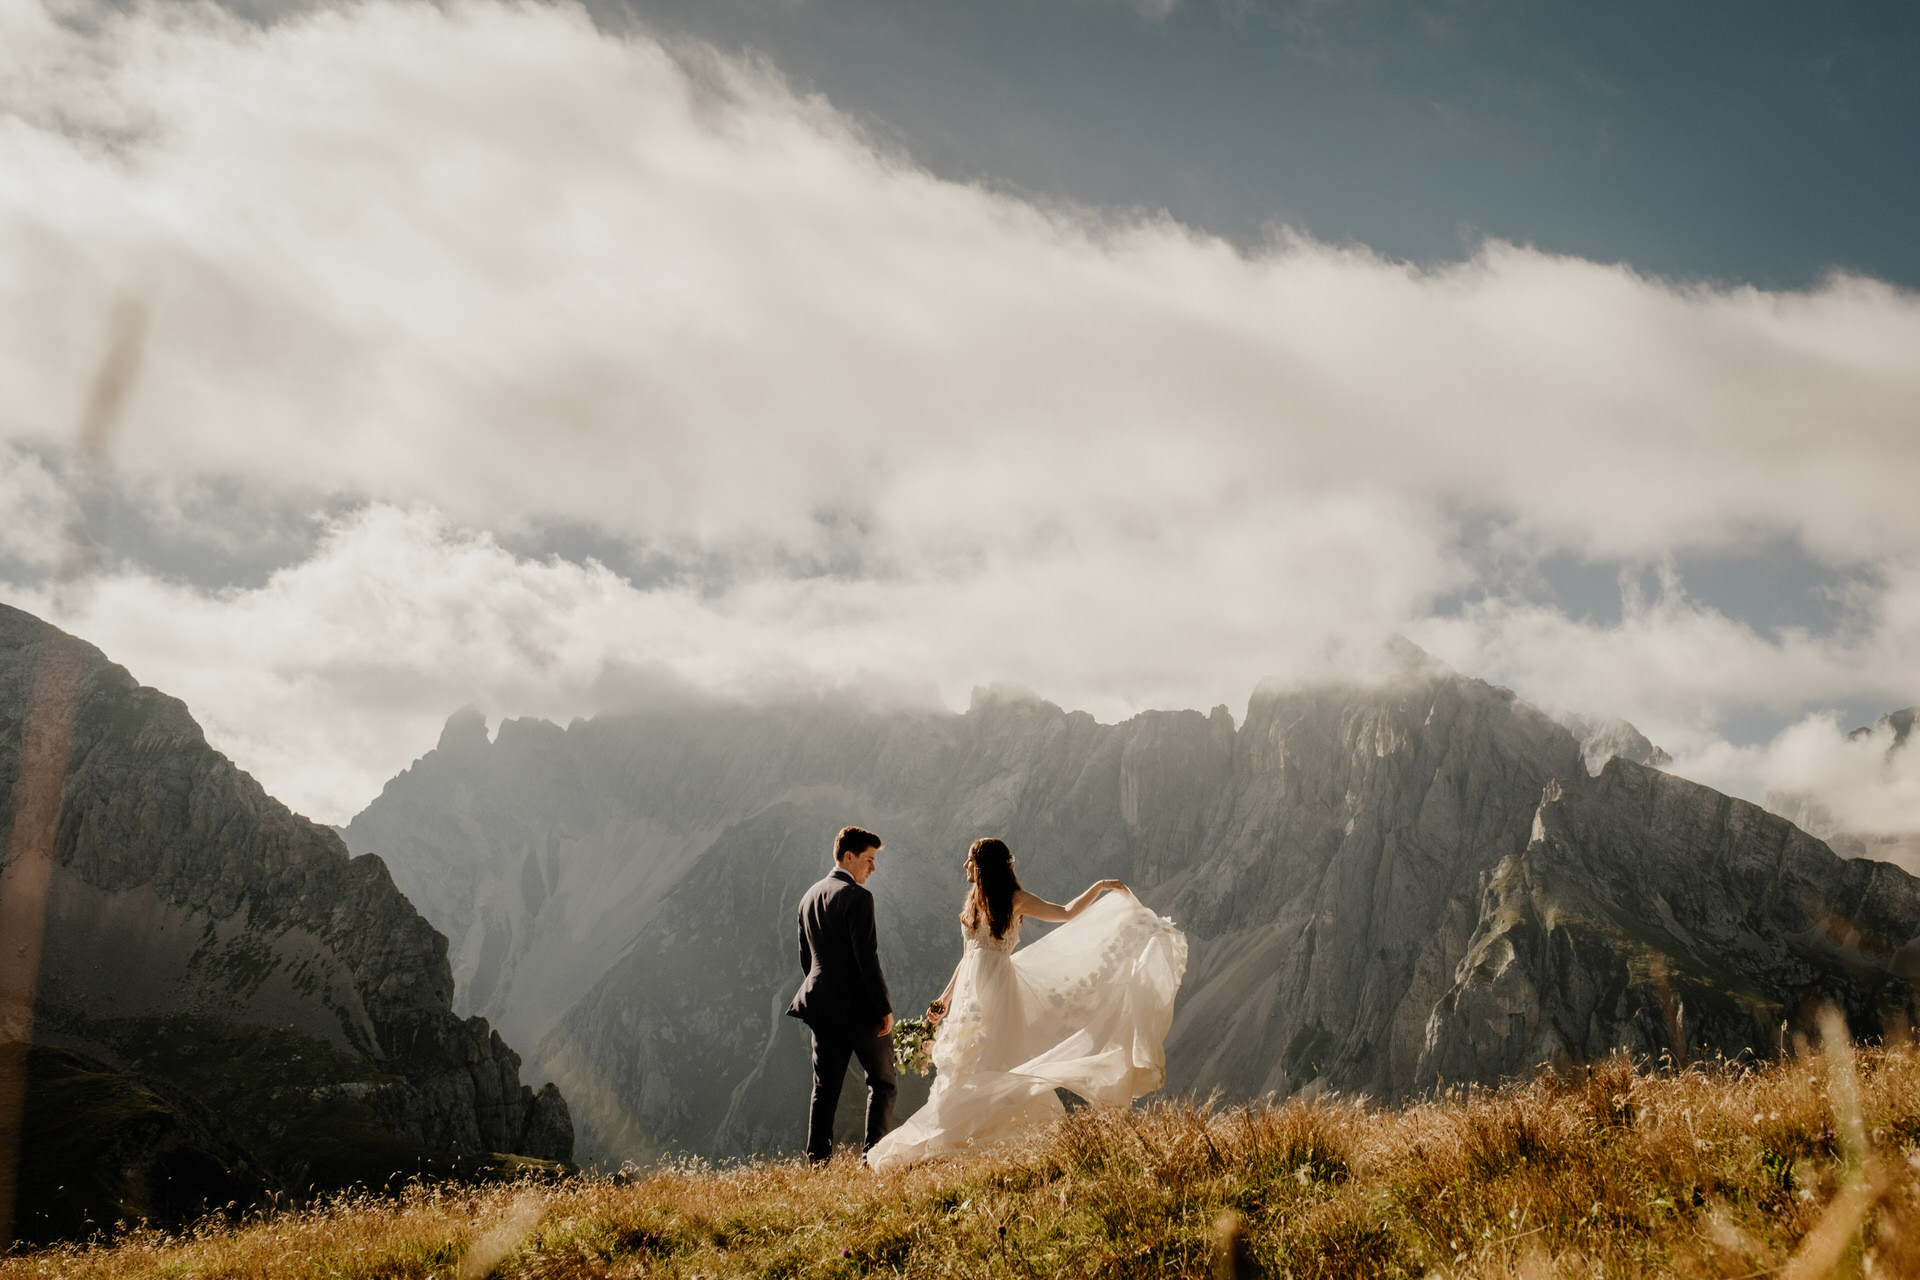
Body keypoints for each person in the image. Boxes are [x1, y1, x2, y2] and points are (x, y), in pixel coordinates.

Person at [864, 837, 1187, 1172]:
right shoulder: (974, 899)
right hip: (969, 996)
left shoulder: (1015, 899)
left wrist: (1099, 887)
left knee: (993, 1060)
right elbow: (967, 956)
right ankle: (954, 1137)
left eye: (969, 860)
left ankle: (982, 1135)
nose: (964, 866)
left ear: (984, 865)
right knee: (961, 1062)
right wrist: (945, 999)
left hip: (1000, 994)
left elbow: (1064, 913)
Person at [786, 825, 896, 1164]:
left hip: (820, 1006)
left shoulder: (808, 897)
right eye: (868, 859)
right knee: (883, 1083)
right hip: (859, 1009)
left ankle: (818, 1163)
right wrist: (883, 1008)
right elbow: (867, 957)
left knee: (824, 1089)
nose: (872, 868)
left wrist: (824, 992)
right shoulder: (858, 897)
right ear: (848, 856)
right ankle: (872, 1159)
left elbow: (807, 959)